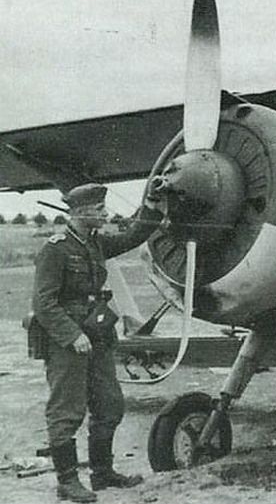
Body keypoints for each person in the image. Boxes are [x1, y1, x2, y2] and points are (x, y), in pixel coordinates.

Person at [29, 183, 163, 502]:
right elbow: (44, 301)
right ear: (78, 212)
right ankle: (67, 482)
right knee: (67, 410)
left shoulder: (95, 243)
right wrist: (72, 335)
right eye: (99, 210)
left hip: (98, 335)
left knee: (109, 405)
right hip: (68, 341)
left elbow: (132, 236)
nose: (105, 214)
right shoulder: (56, 248)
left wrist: (154, 207)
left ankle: (102, 474)